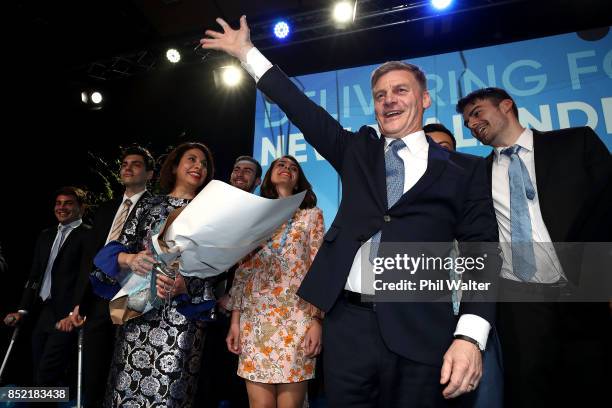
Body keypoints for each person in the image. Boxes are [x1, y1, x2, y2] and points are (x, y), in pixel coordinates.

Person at [201, 17, 501, 407]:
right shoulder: (357, 151)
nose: (389, 99)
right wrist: (247, 53)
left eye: (400, 90)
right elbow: (301, 109)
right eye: (380, 94)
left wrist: (469, 337)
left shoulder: (466, 170)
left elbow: (482, 254)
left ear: (424, 98)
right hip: (349, 325)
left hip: (421, 327)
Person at [456, 87, 611, 407]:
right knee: (529, 391)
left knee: (593, 383)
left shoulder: (575, 143)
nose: (472, 124)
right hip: (518, 301)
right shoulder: (476, 176)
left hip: (584, 291)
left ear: (506, 105)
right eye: (467, 121)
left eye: (477, 112)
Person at [92, 142, 216, 407]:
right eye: (192, 160)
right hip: (138, 307)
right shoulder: (149, 204)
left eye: (204, 164)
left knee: (171, 391)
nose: (198, 166)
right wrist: (131, 258)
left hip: (181, 316)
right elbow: (118, 248)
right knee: (125, 386)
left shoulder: (211, 214)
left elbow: (216, 267)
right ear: (174, 166)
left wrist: (187, 284)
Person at [56, 145, 154, 408]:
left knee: (125, 368)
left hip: (134, 298)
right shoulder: (105, 210)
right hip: (98, 298)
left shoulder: (155, 207)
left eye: (135, 164)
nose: (128, 168)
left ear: (150, 173)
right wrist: (79, 302)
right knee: (94, 370)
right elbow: (89, 259)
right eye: (124, 164)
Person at [226, 155, 324, 408]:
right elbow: (243, 270)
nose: (286, 169)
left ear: (298, 180)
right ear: (269, 175)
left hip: (297, 318)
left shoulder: (312, 216)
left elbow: (319, 268)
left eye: (293, 168)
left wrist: (316, 320)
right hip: (255, 317)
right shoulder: (255, 214)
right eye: (281, 165)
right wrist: (235, 321)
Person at [425, 122, 504, 407]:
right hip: (422, 327)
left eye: (444, 148)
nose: (435, 153)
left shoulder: (477, 198)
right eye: (428, 146)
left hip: (475, 323)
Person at [4, 187, 91, 388]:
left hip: (66, 315)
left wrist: (76, 311)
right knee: (38, 374)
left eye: (68, 203)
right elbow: (34, 276)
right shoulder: (46, 235)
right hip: (41, 311)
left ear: (81, 208)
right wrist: (22, 310)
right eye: (58, 203)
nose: (62, 207)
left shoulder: (88, 235)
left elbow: (86, 278)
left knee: (47, 374)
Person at [197, 155, 262, 408]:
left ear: (257, 180)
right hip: (202, 307)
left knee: (238, 384)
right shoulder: (211, 207)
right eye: (236, 169)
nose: (240, 174)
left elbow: (253, 265)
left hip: (243, 310)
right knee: (205, 381)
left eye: (248, 171)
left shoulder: (262, 214)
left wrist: (232, 295)